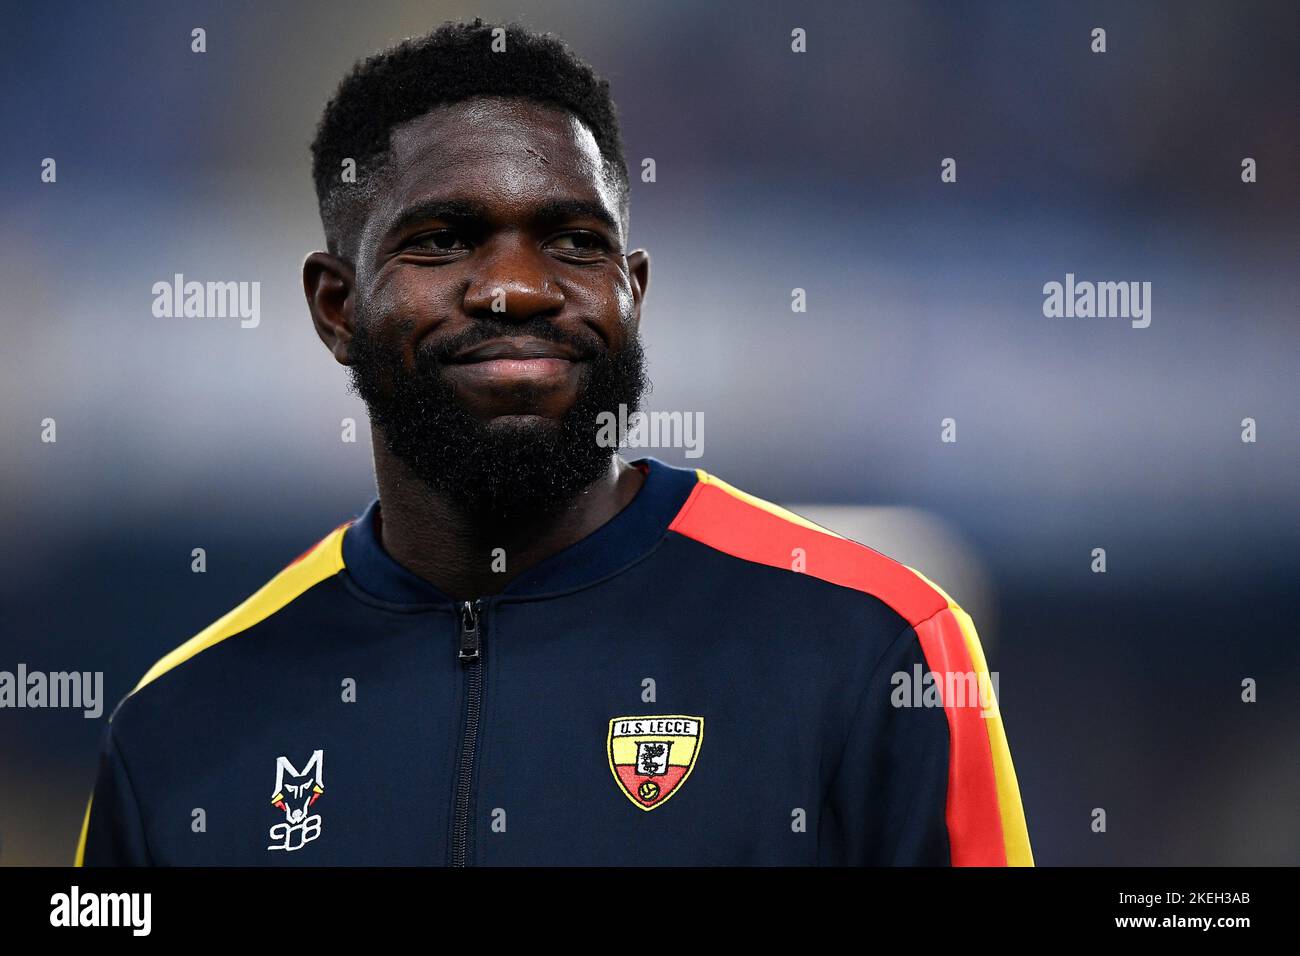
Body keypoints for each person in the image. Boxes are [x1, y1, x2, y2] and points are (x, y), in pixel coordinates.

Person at [77, 19, 1031, 866]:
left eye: (575, 241)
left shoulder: (881, 648)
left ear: (635, 291)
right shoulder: (179, 730)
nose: (520, 289)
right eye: (445, 240)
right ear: (336, 306)